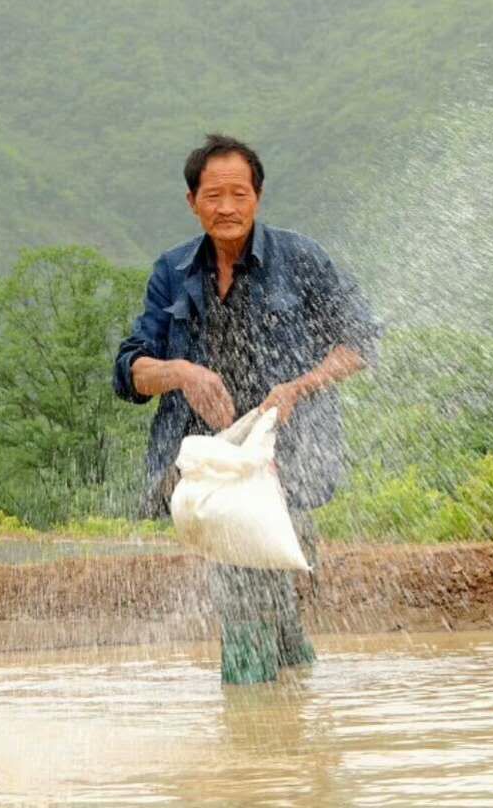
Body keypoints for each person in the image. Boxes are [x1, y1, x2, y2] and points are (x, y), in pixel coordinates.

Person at [114, 133, 379, 684]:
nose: (227, 208)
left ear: (258, 196)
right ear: (192, 202)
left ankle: (262, 739)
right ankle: (276, 729)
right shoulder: (172, 272)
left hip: (289, 458)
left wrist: (296, 388)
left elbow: (360, 344)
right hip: (215, 468)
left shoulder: (301, 259)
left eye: (239, 193)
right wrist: (180, 372)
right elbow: (130, 371)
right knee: (248, 592)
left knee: (274, 605)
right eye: (214, 196)